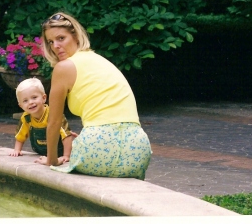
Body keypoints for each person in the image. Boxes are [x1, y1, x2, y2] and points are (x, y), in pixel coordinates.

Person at [34, 12, 152, 179]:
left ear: (76, 36)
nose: (55, 46)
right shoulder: (101, 61)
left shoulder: (64, 67)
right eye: (51, 42)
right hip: (138, 150)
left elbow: (54, 121)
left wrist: (51, 160)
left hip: (97, 148)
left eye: (61, 38)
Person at [9, 78, 74, 161]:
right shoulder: (26, 118)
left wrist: (66, 155)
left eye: (34, 97)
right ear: (21, 105)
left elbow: (66, 135)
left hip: (60, 151)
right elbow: (20, 136)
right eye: (25, 101)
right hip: (40, 152)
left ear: (44, 98)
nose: (30, 102)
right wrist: (17, 150)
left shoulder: (53, 115)